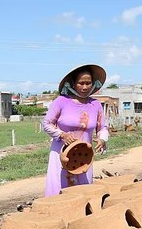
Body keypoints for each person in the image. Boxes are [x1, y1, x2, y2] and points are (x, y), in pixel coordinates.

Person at [42, 64, 109, 196]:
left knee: (84, 192)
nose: (85, 87)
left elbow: (102, 127)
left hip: (83, 157)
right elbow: (47, 124)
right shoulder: (61, 102)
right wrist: (62, 135)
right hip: (61, 156)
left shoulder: (95, 105)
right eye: (81, 83)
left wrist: (102, 138)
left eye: (88, 83)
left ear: (93, 84)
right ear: (73, 83)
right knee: (59, 191)